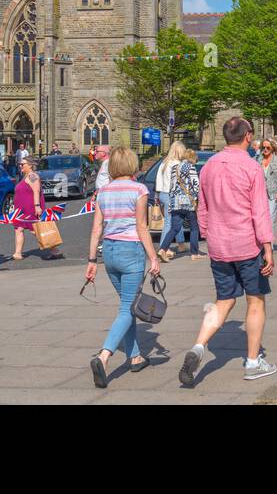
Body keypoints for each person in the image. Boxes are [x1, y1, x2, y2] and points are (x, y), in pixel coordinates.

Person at [179, 116, 277, 387]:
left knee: (223, 301)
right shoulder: (251, 167)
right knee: (255, 301)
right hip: (247, 245)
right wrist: (267, 248)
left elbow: (203, 207)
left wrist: (210, 235)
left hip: (219, 247)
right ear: (247, 137)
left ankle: (199, 346)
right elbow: (259, 212)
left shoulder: (208, 166)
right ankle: (254, 362)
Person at [85, 146, 161, 387]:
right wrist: (154, 257)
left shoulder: (103, 191)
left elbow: (97, 228)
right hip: (131, 252)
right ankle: (104, 355)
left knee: (128, 305)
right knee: (129, 306)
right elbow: (141, 227)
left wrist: (91, 261)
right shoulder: (139, 189)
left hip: (109, 251)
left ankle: (135, 356)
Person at [11, 155, 63, 261]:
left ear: (30, 165)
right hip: (21, 210)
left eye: (22, 164)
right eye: (19, 164)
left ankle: (54, 249)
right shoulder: (25, 176)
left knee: (37, 230)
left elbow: (36, 191)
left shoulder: (33, 176)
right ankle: (17, 253)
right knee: (19, 229)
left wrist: (37, 206)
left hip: (31, 208)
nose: (20, 166)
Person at [159, 143, 201, 262]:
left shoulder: (174, 168)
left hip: (175, 203)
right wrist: (197, 199)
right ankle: (194, 253)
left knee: (174, 228)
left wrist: (172, 203)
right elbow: (196, 186)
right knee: (194, 228)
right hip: (188, 203)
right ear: (193, 159)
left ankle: (162, 249)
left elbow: (171, 187)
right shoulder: (191, 168)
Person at [153, 142, 185, 258]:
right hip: (173, 195)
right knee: (169, 222)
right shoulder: (179, 165)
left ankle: (181, 244)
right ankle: (163, 248)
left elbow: (158, 181)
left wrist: (157, 195)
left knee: (177, 218)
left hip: (163, 194)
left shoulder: (164, 163)